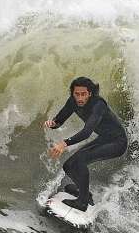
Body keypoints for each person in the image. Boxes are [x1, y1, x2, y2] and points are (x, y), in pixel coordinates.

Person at [43, 76, 127, 212]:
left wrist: (64, 143)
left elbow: (87, 132)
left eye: (83, 94)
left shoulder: (99, 104)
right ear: (73, 93)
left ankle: (82, 202)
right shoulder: (72, 102)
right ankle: (85, 193)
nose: (80, 98)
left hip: (118, 142)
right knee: (69, 166)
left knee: (81, 160)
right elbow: (59, 120)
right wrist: (52, 123)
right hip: (104, 138)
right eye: (77, 94)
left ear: (90, 93)